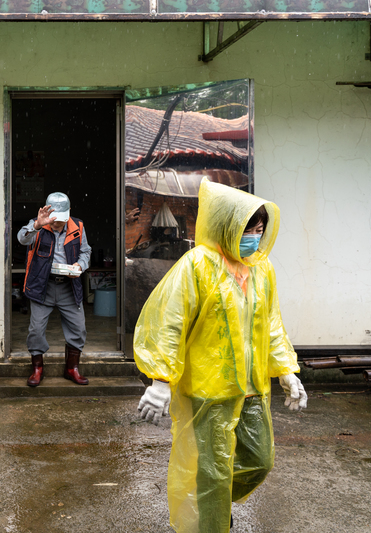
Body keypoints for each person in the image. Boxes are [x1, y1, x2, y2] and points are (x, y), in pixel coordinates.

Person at [133, 179, 308, 533]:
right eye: (249, 231)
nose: (255, 239)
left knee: (259, 461)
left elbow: (271, 325)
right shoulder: (197, 266)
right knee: (212, 472)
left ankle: (206, 498)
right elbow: (169, 324)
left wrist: (287, 371)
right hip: (208, 390)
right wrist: (160, 380)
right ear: (228, 228)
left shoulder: (262, 270)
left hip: (252, 387)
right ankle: (210, 515)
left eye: (260, 231)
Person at [18, 192, 92, 387]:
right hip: (43, 286)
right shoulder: (38, 224)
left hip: (69, 285)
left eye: (61, 220)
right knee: (36, 329)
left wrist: (80, 266)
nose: (57, 224)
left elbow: (86, 251)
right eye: (54, 219)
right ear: (47, 213)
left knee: (78, 327)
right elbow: (21, 239)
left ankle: (71, 369)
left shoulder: (78, 226)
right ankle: (37, 369)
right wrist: (36, 226)